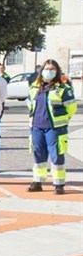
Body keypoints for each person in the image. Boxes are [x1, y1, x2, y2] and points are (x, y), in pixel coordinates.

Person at [27, 59, 77, 195]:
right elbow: (29, 104)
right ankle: (38, 181)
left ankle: (59, 184)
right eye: (46, 69)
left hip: (55, 128)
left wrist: (63, 119)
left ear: (57, 71)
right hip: (37, 127)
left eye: (52, 69)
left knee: (57, 156)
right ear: (41, 71)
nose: (49, 71)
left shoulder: (63, 88)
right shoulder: (34, 87)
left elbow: (71, 108)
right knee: (38, 156)